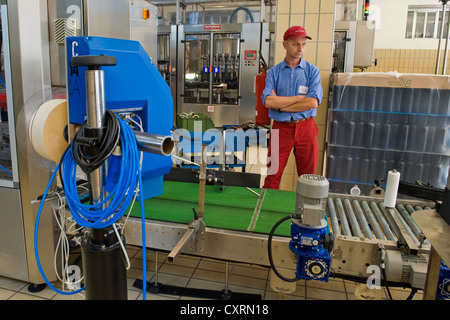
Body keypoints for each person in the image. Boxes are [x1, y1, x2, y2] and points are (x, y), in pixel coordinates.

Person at [261, 25, 323, 189]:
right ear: (285, 44)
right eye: (296, 44)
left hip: (306, 127)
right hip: (281, 129)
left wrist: (281, 105)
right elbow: (268, 102)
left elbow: (313, 102)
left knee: (308, 178)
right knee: (272, 175)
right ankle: (267, 211)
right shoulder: (274, 73)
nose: (300, 48)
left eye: (303, 44)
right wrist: (298, 99)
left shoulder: (312, 71)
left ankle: (306, 212)